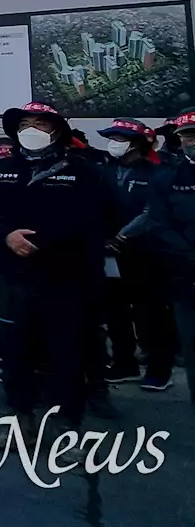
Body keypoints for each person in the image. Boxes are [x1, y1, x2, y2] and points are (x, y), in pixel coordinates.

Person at [0, 101, 117, 438]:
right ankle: (19, 415)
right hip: (13, 277)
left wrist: (51, 241)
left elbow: (103, 218)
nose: (32, 130)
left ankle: (70, 421)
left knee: (67, 351)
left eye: (40, 123)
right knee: (14, 350)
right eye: (25, 123)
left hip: (66, 277)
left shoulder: (84, 171)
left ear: (56, 130)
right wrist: (6, 235)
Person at [97, 118, 178, 392]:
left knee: (151, 314)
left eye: (119, 138)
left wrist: (122, 236)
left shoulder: (158, 172)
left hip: (146, 252)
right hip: (109, 253)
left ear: (136, 143)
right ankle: (124, 363)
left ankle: (158, 369)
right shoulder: (104, 171)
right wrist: (104, 238)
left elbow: (152, 212)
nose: (113, 143)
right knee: (115, 311)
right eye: (112, 138)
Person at [147, 107, 195, 408]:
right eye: (188, 136)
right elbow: (159, 222)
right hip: (186, 277)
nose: (193, 141)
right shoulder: (168, 177)